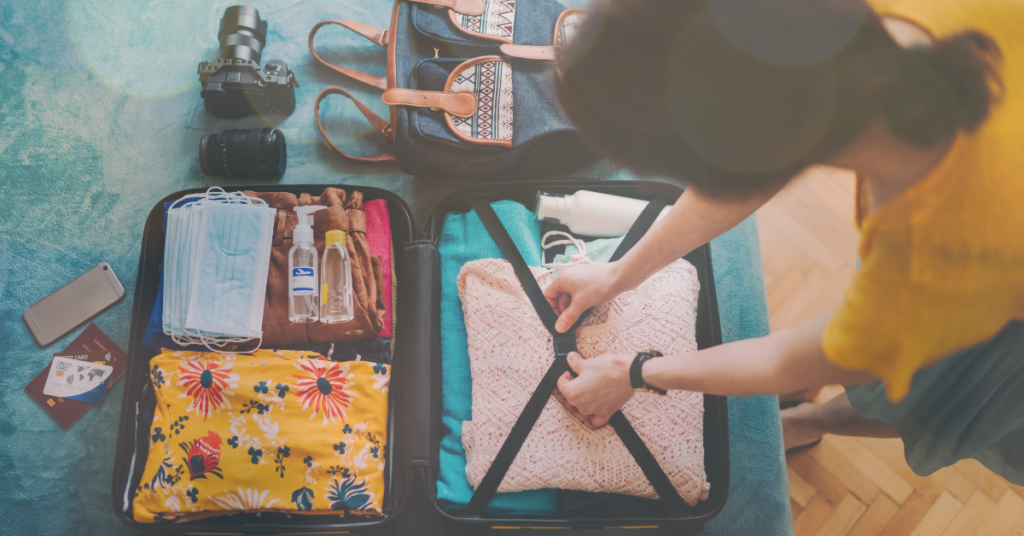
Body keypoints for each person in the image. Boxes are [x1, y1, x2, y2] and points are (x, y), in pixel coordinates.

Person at [547, 0, 1024, 483]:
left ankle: (803, 423)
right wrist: (618, 273)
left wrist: (635, 373)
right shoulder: (828, 50)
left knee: (935, 399)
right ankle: (808, 418)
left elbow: (791, 358)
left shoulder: (927, 265)